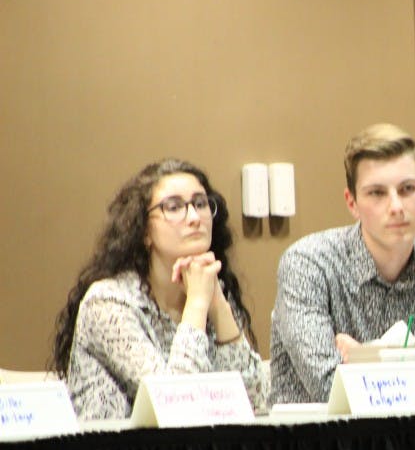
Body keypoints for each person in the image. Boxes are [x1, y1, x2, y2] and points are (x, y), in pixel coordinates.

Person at [270, 123, 415, 404]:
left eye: (407, 189)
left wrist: (366, 358)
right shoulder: (308, 264)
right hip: (318, 442)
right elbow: (330, 389)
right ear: (351, 202)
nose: (396, 206)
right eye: (377, 193)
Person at [51, 159, 269, 419]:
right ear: (144, 231)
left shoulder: (209, 288)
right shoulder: (108, 303)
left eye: (200, 203)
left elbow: (255, 404)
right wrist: (197, 305)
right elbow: (177, 408)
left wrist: (218, 304)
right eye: (174, 207)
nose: (194, 217)